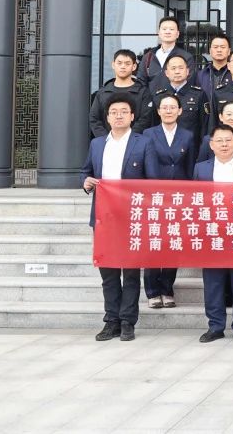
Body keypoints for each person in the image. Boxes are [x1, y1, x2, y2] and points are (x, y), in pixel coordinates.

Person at [81, 94, 146, 341]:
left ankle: (128, 321)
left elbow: (151, 181)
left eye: (124, 112)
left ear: (132, 116)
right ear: (107, 118)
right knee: (107, 272)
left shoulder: (143, 143)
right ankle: (111, 321)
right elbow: (86, 171)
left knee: (130, 272)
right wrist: (85, 182)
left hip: (132, 217)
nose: (119, 116)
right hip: (103, 217)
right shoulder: (97, 144)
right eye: (114, 112)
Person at [193, 125, 233, 343]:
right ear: (211, 144)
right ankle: (215, 326)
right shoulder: (200, 169)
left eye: (228, 140)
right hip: (212, 232)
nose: (224, 144)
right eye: (219, 140)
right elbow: (195, 201)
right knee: (213, 282)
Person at [142, 92, 193, 309]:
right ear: (158, 111)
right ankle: (152, 291)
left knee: (173, 243)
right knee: (154, 242)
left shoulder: (188, 135)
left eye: (173, 107)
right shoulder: (148, 134)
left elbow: (189, 168)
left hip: (179, 198)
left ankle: (167, 289)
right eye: (165, 107)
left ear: (180, 111)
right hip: (154, 196)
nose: (169, 111)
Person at [148, 53, 208, 163]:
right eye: (173, 68)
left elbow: (204, 126)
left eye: (181, 68)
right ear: (166, 73)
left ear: (187, 71)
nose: (177, 71)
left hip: (191, 151)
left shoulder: (199, 94)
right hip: (163, 153)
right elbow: (153, 125)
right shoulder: (158, 96)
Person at [89, 49, 150, 137]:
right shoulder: (103, 92)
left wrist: (128, 139)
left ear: (134, 66)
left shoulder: (143, 92)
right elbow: (94, 119)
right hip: (107, 142)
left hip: (135, 141)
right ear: (113, 65)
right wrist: (107, 139)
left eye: (127, 64)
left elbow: (145, 120)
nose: (123, 66)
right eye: (119, 63)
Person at [138, 16, 194, 84]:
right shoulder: (148, 57)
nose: (167, 32)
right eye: (164, 29)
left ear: (177, 34)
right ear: (159, 33)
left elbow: (189, 82)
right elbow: (141, 82)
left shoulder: (186, 57)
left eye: (171, 29)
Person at [195, 33, 231, 102]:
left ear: (229, 51)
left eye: (223, 47)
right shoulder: (200, 75)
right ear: (210, 51)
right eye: (215, 47)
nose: (219, 50)